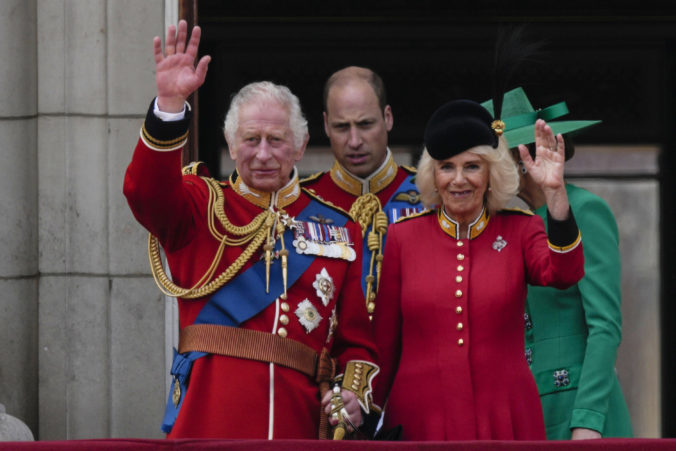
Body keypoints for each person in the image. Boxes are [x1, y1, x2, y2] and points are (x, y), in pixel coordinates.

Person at [123, 20, 379, 439]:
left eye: (276, 140)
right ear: (229, 141)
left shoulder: (339, 228)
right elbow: (143, 191)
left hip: (299, 426)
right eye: (250, 139)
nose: (262, 154)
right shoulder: (200, 206)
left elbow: (357, 345)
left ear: (300, 145)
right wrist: (169, 105)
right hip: (208, 423)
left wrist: (351, 394)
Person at [372, 98, 585, 440]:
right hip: (420, 418)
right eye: (446, 167)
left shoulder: (520, 229)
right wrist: (370, 415)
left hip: (504, 413)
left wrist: (555, 193)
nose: (459, 180)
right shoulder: (402, 238)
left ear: (491, 174)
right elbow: (385, 344)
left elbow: (564, 273)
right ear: (432, 173)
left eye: (472, 166)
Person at [482, 87, 633, 440]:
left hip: (579, 410)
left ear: (522, 158)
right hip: (530, 410)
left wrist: (588, 420)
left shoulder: (584, 210)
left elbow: (605, 325)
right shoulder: (514, 224)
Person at [301, 67, 424, 318]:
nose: (354, 140)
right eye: (342, 127)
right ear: (325, 125)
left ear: (387, 118)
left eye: (365, 124)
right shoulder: (300, 201)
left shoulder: (431, 195)